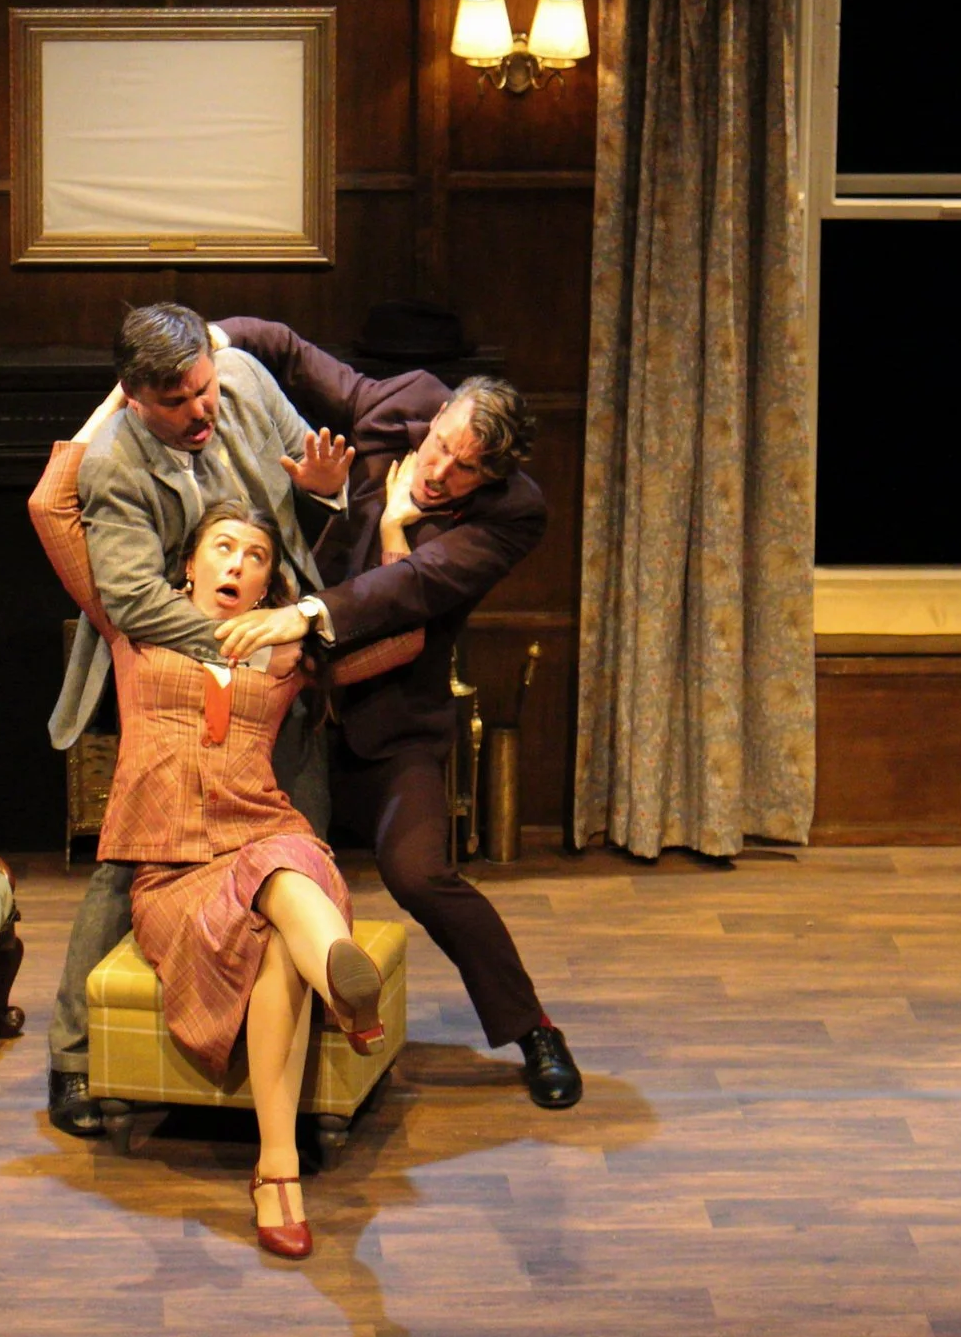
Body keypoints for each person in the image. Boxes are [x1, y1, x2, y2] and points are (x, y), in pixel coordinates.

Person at [30, 388, 419, 1258]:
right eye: (224, 548)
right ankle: (327, 1007)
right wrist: (123, 397)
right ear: (189, 568)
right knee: (281, 921)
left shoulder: (283, 649)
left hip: (262, 831)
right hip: (173, 865)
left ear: (269, 580)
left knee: (285, 866)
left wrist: (390, 530)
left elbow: (402, 639)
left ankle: (283, 1148)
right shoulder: (137, 625)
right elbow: (50, 505)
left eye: (255, 554)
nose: (239, 563)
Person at [201, 316, 584, 1109]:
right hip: (293, 708)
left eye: (466, 467)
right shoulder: (404, 401)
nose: (441, 469)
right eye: (441, 445)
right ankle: (248, 1044)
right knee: (257, 869)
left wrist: (320, 598)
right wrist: (211, 338)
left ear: (496, 474)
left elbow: (407, 594)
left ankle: (532, 1028)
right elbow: (290, 351)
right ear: (437, 416)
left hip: (393, 714)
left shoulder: (513, 516)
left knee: (419, 873)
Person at [44, 303, 352, 1138]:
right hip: (176, 652)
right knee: (132, 858)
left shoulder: (244, 381)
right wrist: (237, 642)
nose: (202, 411)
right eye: (177, 400)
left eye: (204, 389)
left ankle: (313, 1075)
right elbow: (132, 598)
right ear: (135, 397)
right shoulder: (114, 462)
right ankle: (72, 1059)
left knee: (300, 847)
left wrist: (325, 503)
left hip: (283, 640)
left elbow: (312, 485)